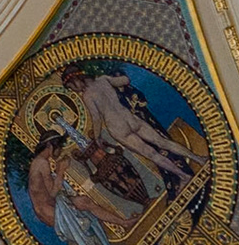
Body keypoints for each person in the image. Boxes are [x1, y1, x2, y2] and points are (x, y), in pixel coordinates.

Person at [62, 66, 208, 185]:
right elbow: (125, 80)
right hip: (129, 117)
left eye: (71, 87)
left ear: (75, 81)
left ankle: (183, 176)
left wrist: (98, 137)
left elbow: (96, 118)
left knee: (151, 153)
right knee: (163, 142)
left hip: (117, 127)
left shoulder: (87, 96)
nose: (74, 90)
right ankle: (199, 159)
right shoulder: (103, 80)